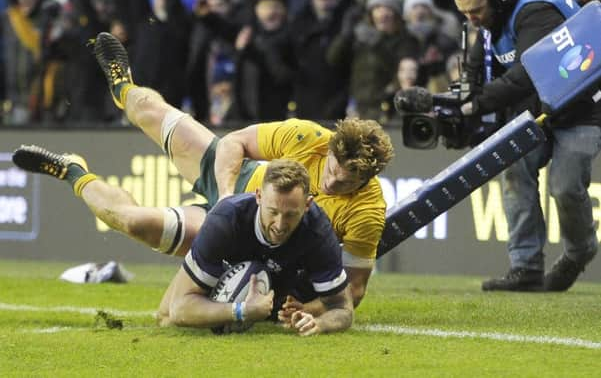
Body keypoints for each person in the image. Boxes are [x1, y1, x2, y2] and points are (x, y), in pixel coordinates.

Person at [41, 32, 393, 311]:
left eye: (346, 182)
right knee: (148, 109)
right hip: (236, 184)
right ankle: (124, 88)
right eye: (332, 169)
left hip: (249, 239)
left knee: (134, 223)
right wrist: (228, 196)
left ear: (365, 180)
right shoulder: (311, 136)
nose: (332, 180)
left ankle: (74, 173)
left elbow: (354, 290)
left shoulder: (368, 211)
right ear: (331, 147)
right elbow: (233, 143)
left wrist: (310, 307)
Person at [12, 149, 353, 335]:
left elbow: (344, 307)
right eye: (273, 212)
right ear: (258, 196)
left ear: (307, 205)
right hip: (219, 235)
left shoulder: (317, 231)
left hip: (270, 280)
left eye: (291, 215)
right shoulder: (227, 221)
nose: (280, 224)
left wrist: (316, 318)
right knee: (132, 224)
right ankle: (76, 172)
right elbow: (179, 310)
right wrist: (238, 310)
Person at [454, 0, 601, 292]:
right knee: (514, 170)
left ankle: (580, 252)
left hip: (583, 108)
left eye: (475, 11)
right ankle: (526, 267)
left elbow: (527, 74)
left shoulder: (537, 10)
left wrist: (475, 105)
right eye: (465, 14)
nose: (471, 20)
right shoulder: (494, 18)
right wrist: (459, 100)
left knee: (564, 187)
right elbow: (475, 71)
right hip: (539, 111)